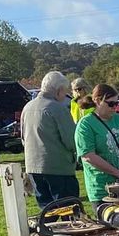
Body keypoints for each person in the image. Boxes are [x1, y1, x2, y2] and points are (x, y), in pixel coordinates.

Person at [20, 70, 78, 207]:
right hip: (58, 168)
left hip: (33, 167)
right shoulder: (58, 109)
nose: (65, 96)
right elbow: (71, 141)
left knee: (46, 211)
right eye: (64, 92)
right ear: (58, 91)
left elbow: (23, 138)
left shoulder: (27, 107)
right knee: (69, 212)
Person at [74, 83, 119, 209]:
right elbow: (88, 156)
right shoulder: (86, 125)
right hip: (103, 190)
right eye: (111, 104)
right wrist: (118, 173)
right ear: (97, 101)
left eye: (116, 103)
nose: (115, 107)